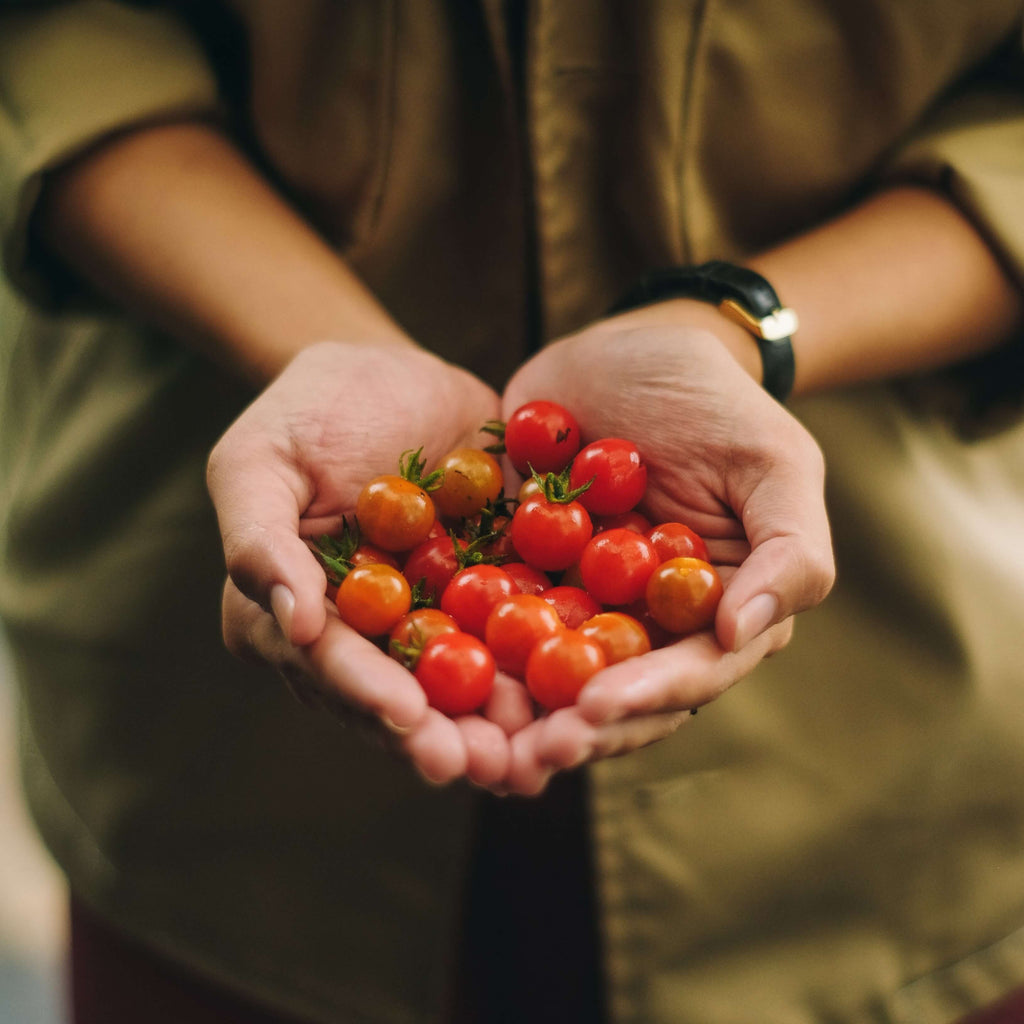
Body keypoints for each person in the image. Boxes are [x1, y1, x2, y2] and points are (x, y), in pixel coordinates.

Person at [2, 2, 1024, 1022]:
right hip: (221, 780)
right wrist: (323, 343)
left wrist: (738, 332)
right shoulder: (474, 546)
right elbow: (55, 35)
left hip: (887, 768)